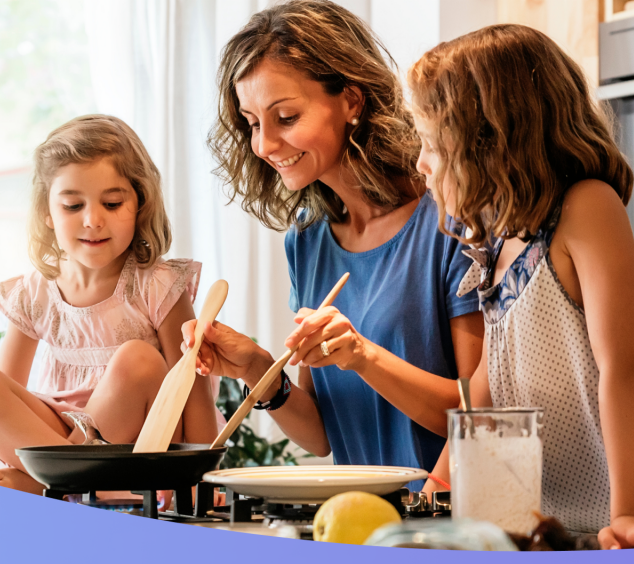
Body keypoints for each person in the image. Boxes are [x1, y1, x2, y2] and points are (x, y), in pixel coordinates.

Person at [405, 24, 634, 547]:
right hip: (555, 528)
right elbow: (484, 395)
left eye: (432, 144)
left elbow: (621, 369)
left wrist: (628, 514)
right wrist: (431, 498)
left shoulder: (588, 208)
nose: (421, 163)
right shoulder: (497, 240)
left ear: (490, 137)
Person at [185, 0, 483, 490]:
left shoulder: (448, 218)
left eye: (285, 116)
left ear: (351, 101)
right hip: (364, 521)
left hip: (447, 527)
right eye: (253, 123)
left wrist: (362, 355)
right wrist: (259, 368)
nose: (263, 145)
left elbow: (480, 414)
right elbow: (322, 433)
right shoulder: (308, 239)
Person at [0, 115, 217, 495]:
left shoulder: (157, 284)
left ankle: (60, 489)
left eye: (112, 203)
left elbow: (192, 390)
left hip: (131, 452)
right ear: (48, 212)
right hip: (56, 441)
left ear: (139, 202)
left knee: (139, 359)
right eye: (72, 205)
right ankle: (73, 488)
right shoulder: (34, 293)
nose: (93, 220)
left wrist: (199, 486)